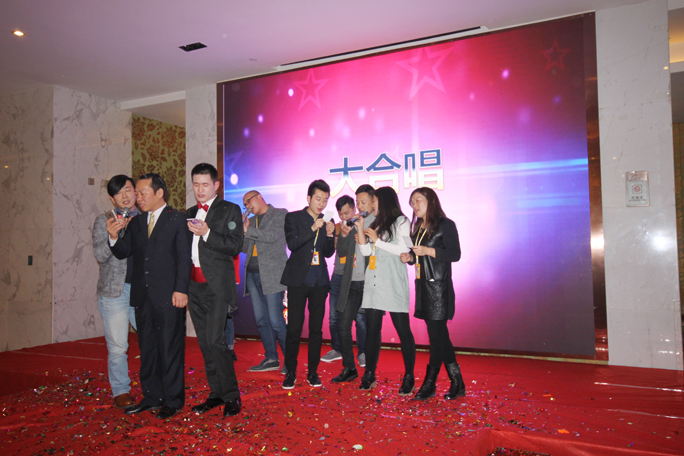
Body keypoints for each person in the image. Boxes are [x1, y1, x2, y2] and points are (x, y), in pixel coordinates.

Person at [107, 173, 192, 420]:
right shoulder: (136, 222)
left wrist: (181, 289)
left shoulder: (177, 219)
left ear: (159, 193)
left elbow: (183, 258)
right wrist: (114, 236)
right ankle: (152, 396)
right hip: (142, 296)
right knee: (148, 349)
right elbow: (123, 252)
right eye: (137, 193)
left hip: (169, 295)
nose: (138, 198)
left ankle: (173, 400)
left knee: (170, 349)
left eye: (143, 193)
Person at [185, 163, 244, 417]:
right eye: (196, 184)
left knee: (215, 341)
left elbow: (235, 246)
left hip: (217, 286)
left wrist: (208, 232)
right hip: (193, 287)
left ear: (216, 185)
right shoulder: (189, 212)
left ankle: (232, 396)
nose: (200, 189)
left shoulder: (229, 210)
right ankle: (216, 393)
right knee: (204, 343)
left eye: (205, 184)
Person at [401, 187, 465, 400]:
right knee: (440, 336)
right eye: (412, 202)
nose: (415, 205)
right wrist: (410, 258)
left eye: (418, 200)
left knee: (437, 337)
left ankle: (430, 383)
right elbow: (418, 256)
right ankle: (457, 381)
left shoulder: (446, 225)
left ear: (431, 201)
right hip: (423, 287)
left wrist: (428, 251)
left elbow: (455, 254)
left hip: (439, 288)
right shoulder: (418, 228)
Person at [355, 186, 415, 395]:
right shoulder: (375, 223)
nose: (372, 204)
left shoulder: (402, 221)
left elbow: (404, 249)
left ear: (384, 200)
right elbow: (366, 251)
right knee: (372, 330)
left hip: (393, 283)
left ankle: (409, 376)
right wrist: (360, 230)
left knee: (403, 331)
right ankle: (369, 374)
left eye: (374, 200)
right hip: (374, 283)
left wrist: (377, 241)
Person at [280, 179, 335, 389]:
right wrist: (313, 228)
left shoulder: (327, 219)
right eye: (318, 199)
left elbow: (327, 253)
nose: (321, 204)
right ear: (309, 198)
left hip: (319, 281)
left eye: (325, 200)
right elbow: (292, 244)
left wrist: (329, 234)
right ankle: (291, 372)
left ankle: (313, 372)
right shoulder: (293, 217)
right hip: (298, 280)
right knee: (294, 328)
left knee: (316, 330)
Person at [92, 175, 138, 410]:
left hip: (142, 291)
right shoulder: (104, 221)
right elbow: (100, 256)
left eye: (128, 189)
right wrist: (112, 236)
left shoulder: (146, 218)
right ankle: (121, 391)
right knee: (118, 346)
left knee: (153, 341)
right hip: (114, 293)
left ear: (135, 192)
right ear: (112, 199)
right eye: (119, 192)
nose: (125, 195)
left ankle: (157, 386)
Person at [322, 186, 374, 368]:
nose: (344, 216)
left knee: (360, 318)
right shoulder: (335, 226)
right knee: (334, 317)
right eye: (340, 214)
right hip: (338, 276)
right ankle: (337, 349)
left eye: (347, 212)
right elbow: (331, 251)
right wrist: (331, 235)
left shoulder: (361, 223)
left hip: (355, 277)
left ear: (354, 209)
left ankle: (362, 352)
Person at [241, 190, 289, 373]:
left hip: (272, 274)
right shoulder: (251, 221)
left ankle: (289, 360)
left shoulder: (280, 214)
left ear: (259, 197)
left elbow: (272, 236)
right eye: (245, 204)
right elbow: (244, 248)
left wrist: (249, 230)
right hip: (252, 274)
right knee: (261, 320)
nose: (247, 206)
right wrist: (241, 231)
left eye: (249, 201)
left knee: (276, 320)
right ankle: (271, 358)